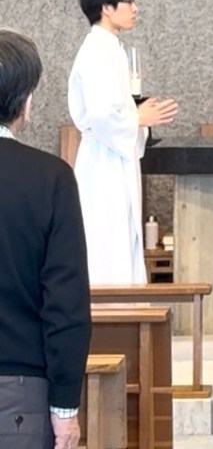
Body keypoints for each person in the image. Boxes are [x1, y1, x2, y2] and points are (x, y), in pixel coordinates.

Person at [0, 30, 91, 449]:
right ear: (26, 102)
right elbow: (66, 304)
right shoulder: (49, 178)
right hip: (19, 390)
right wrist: (65, 408)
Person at [68, 0, 178, 283]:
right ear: (107, 7)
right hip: (102, 160)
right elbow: (102, 115)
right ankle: (110, 307)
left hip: (114, 155)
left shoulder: (111, 48)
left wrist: (138, 115)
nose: (135, 8)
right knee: (107, 239)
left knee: (121, 235)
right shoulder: (95, 52)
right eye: (129, 1)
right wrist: (139, 118)